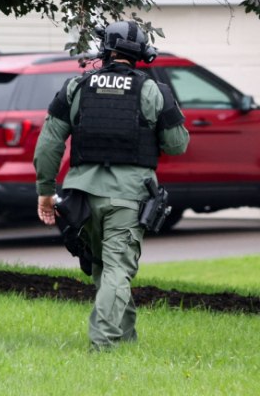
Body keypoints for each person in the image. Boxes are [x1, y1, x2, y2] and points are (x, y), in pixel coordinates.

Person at [34, 20, 188, 351]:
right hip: (128, 198)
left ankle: (127, 339)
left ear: (105, 49)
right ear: (141, 54)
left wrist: (45, 192)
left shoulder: (76, 86)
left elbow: (48, 144)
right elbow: (177, 145)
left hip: (82, 198)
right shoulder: (152, 91)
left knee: (104, 268)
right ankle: (103, 347)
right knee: (117, 270)